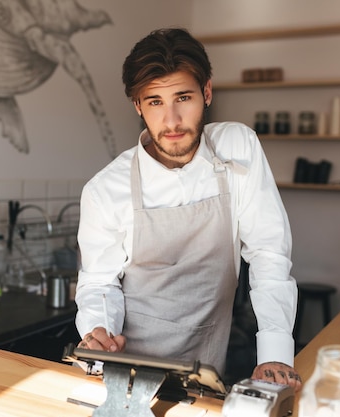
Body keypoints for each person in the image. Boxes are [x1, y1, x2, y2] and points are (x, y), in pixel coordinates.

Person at [74, 27, 301, 391]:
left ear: (207, 92)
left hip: (207, 371)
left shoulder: (238, 148)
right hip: (126, 377)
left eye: (183, 97)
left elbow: (268, 253)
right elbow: (99, 283)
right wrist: (100, 331)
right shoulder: (106, 189)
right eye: (155, 102)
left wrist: (274, 352)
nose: (172, 120)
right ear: (138, 106)